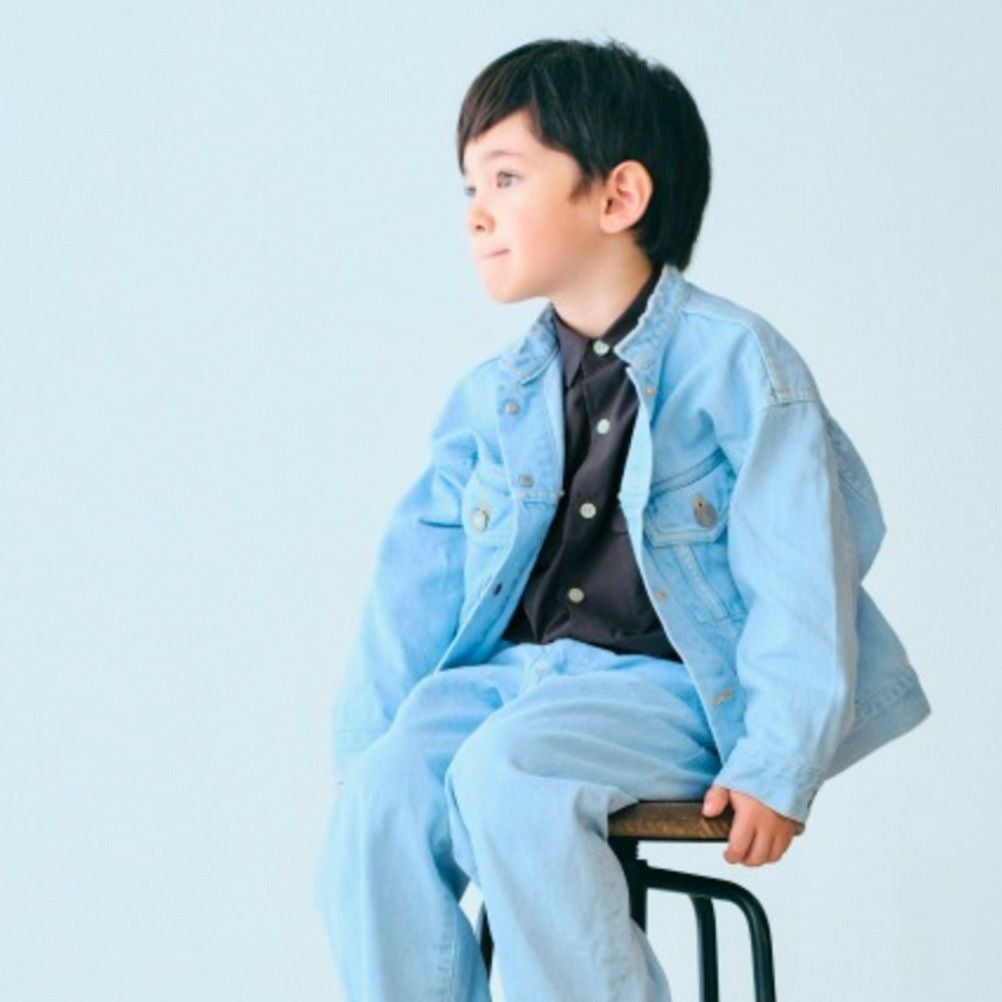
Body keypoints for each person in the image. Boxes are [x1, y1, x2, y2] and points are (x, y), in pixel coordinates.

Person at [312, 36, 931, 1001]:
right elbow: (414, 581)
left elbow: (799, 575)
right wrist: (372, 744)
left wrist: (780, 762)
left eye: (506, 177)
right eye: (469, 186)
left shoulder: (739, 366)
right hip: (515, 682)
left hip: (671, 691)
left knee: (507, 775)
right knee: (385, 800)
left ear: (618, 198)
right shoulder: (492, 397)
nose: (476, 212)